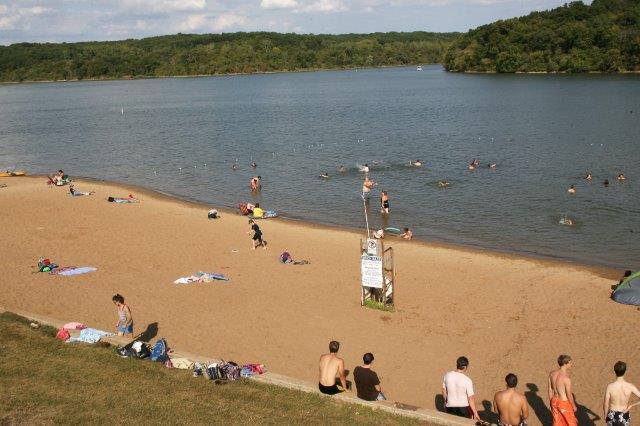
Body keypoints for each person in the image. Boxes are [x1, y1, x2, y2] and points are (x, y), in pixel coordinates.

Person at [442, 356, 480, 420]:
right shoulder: (467, 380)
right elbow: (471, 398)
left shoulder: (447, 375)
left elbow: (443, 390)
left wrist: (446, 401)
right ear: (465, 367)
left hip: (450, 406)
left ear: (457, 365)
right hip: (464, 408)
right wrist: (475, 412)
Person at [603, 361, 640, 426]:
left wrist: (605, 415)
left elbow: (606, 404)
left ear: (614, 371)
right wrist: (631, 405)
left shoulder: (610, 386)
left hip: (612, 415)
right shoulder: (630, 386)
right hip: (624, 415)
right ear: (625, 371)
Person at [548, 354, 578, 426]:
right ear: (565, 364)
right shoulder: (566, 379)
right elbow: (569, 394)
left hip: (554, 401)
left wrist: (551, 402)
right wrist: (573, 405)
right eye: (570, 363)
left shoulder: (551, 374)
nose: (571, 364)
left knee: (557, 423)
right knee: (571, 423)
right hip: (563, 403)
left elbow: (550, 389)